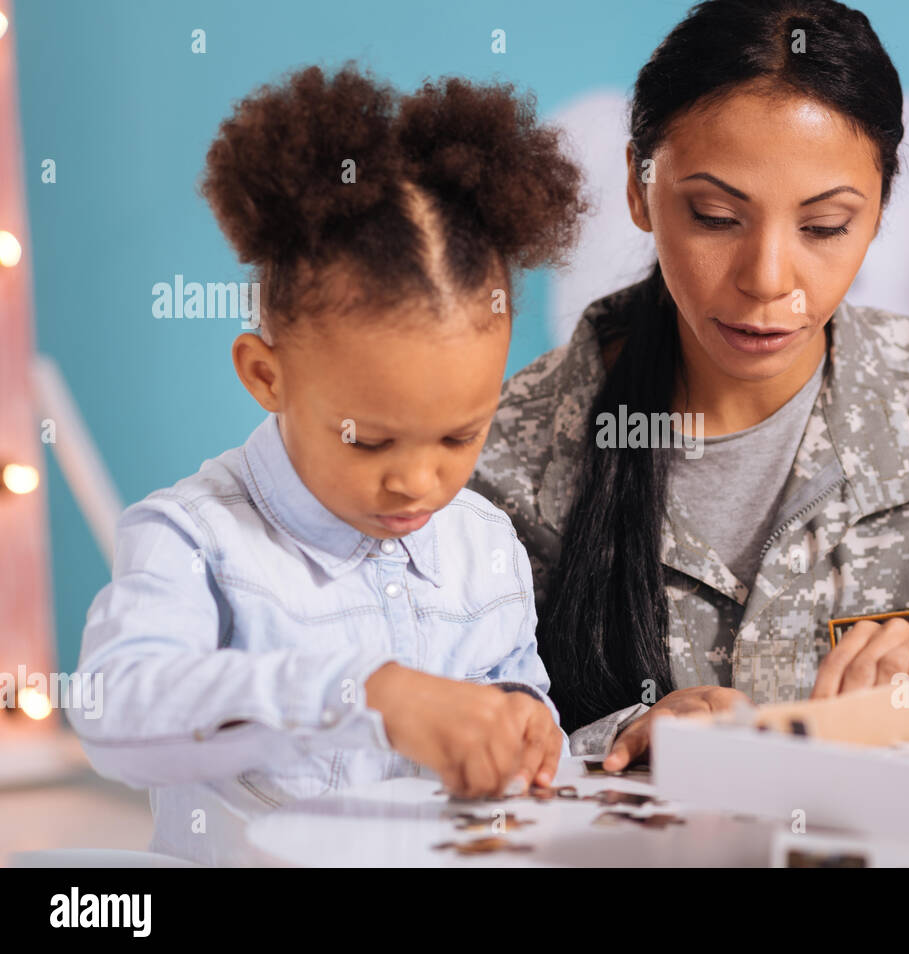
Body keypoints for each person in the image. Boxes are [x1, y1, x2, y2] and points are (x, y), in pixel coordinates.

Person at [467, 0, 909, 770]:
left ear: (878, 213)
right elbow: (416, 742)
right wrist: (616, 738)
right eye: (714, 215)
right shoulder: (498, 463)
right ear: (640, 191)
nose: (769, 279)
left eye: (825, 226)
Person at [69, 64, 585, 864]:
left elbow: (515, 679)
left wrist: (521, 717)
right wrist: (364, 694)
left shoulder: (484, 543)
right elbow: (114, 709)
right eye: (368, 440)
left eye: (459, 436)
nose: (418, 481)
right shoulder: (196, 539)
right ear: (265, 375)